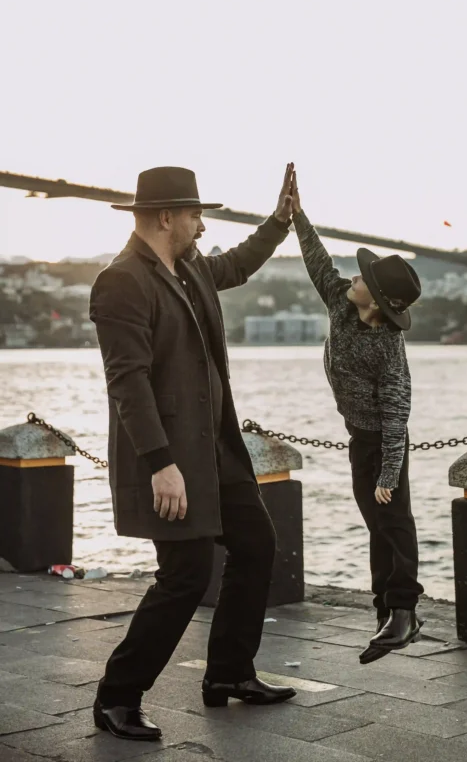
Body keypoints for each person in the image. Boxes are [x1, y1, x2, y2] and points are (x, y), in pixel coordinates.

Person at [89, 164, 297, 742]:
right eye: (195, 215)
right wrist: (160, 463)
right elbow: (127, 382)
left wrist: (278, 223)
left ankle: (229, 674)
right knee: (185, 576)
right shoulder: (121, 281)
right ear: (165, 217)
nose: (202, 226)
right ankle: (117, 697)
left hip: (217, 452)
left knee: (256, 544)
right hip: (172, 461)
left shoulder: (192, 269)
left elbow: (236, 263)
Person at [290, 170, 424, 665]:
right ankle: (383, 613)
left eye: (363, 279)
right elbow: (317, 261)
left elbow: (397, 415)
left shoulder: (388, 347)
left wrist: (391, 471)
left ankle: (405, 611)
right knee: (374, 522)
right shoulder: (341, 303)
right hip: (356, 435)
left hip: (383, 440)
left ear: (378, 302)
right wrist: (297, 216)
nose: (354, 278)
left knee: (393, 520)